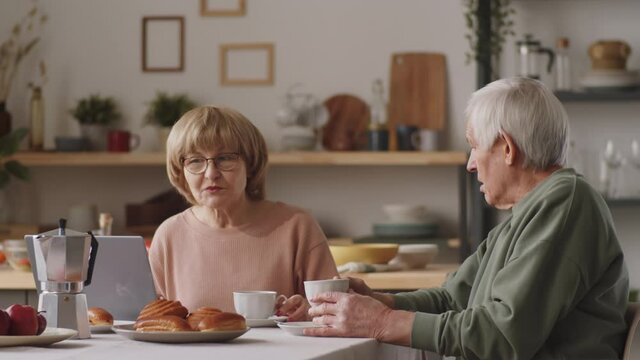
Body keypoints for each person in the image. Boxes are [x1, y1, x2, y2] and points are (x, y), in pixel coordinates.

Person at [306, 77, 629, 359]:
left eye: (475, 146)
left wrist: (382, 322)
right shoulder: (528, 214)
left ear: (506, 148)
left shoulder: (565, 204)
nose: (470, 164)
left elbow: (502, 336)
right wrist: (379, 302)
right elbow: (452, 298)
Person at [148, 106, 338, 320]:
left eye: (225, 158)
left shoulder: (297, 226)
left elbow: (337, 312)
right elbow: (153, 322)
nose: (211, 173)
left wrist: (310, 312)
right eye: (195, 160)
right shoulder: (169, 235)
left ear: (250, 164)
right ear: (180, 171)